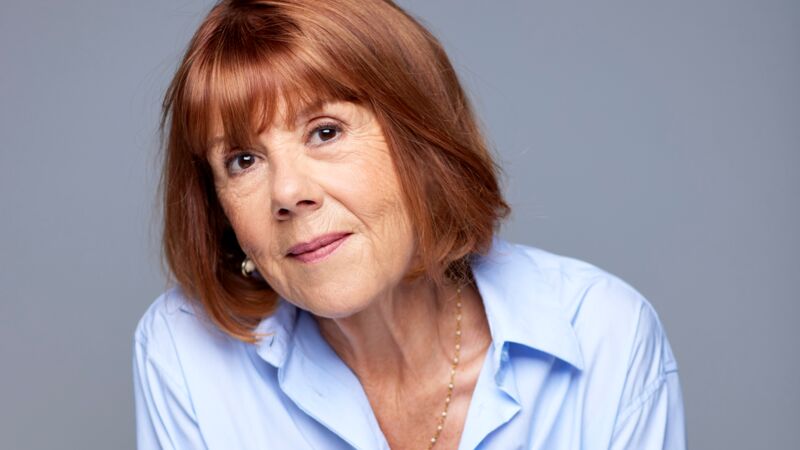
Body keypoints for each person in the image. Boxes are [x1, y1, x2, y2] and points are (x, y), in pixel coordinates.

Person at [133, 0, 687, 448]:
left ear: (420, 142)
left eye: (325, 132)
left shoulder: (605, 337)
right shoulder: (186, 352)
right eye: (243, 161)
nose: (289, 193)